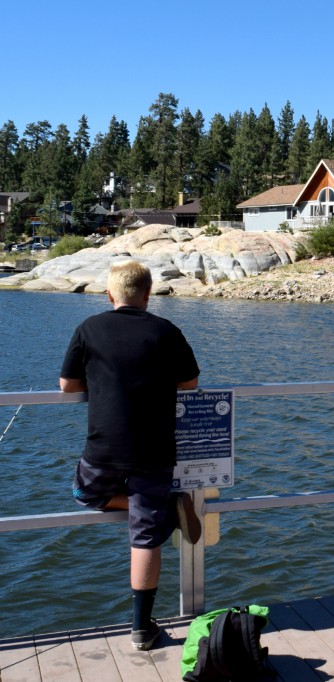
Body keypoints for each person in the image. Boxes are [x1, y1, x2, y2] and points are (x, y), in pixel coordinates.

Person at [60, 259, 201, 650]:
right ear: (148, 295)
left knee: (85, 495)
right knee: (145, 535)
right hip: (156, 450)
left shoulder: (89, 328)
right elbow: (189, 382)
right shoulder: (165, 330)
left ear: (109, 295)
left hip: (104, 446)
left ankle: (166, 509)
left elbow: (68, 386)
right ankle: (141, 629)